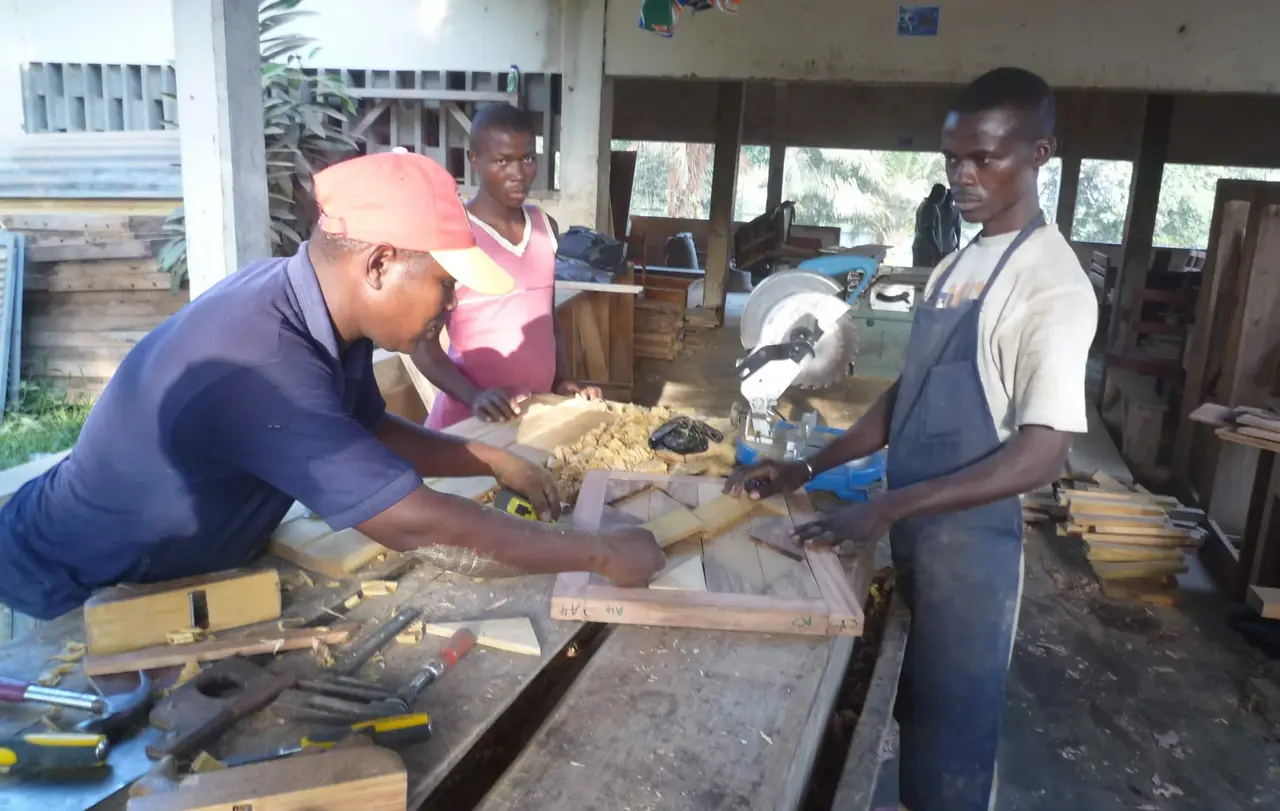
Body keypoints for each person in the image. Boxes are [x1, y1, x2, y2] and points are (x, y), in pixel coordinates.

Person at [0, 152, 665, 621]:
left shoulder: (314, 309)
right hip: (69, 591)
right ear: (380, 264)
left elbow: (365, 432)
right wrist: (598, 552)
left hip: (175, 577)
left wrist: (491, 458)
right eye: (445, 282)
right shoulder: (262, 359)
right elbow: (413, 522)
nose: (453, 303)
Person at [726, 67, 1097, 811]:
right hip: (917, 532)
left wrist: (890, 509)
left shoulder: (1050, 283)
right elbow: (910, 397)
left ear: (1040, 153)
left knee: (952, 742)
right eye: (951, 159)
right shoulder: (955, 267)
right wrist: (807, 465)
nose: (961, 177)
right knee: (909, 703)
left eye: (983, 158)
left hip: (973, 554)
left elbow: (1043, 451)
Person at [413, 103, 600, 430]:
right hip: (467, 427)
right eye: (502, 161)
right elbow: (421, 348)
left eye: (527, 158)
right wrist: (473, 396)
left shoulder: (545, 228)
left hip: (532, 420)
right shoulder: (455, 236)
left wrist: (561, 378)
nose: (519, 174)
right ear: (475, 161)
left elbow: (547, 318)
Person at [912, 183, 961, 267]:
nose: (943, 200)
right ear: (939, 195)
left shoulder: (923, 205)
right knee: (925, 275)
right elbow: (929, 230)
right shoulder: (931, 208)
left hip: (921, 247)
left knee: (920, 274)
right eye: (943, 196)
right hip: (926, 249)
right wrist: (936, 249)